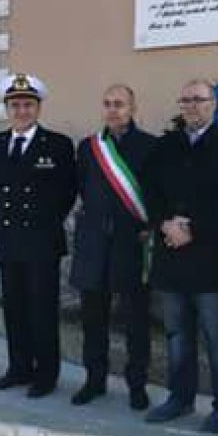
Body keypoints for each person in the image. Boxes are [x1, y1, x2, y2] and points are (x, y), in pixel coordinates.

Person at [143, 78, 218, 433]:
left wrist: (194, 229)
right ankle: (179, 399)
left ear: (214, 104)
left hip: (211, 260)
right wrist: (164, 223)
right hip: (171, 256)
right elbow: (150, 191)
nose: (190, 106)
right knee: (177, 335)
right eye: (184, 100)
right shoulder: (165, 146)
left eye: (198, 100)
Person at [0, 73, 76, 399]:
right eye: (15, 105)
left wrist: (42, 221)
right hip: (8, 240)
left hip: (42, 241)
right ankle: (18, 368)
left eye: (28, 104)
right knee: (15, 308)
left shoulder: (58, 145)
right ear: (7, 108)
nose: (21, 110)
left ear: (38, 108)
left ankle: (46, 375)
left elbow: (66, 193)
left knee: (42, 311)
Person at [69, 84, 155, 409]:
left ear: (133, 108)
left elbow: (156, 193)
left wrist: (152, 227)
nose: (113, 109)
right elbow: (79, 188)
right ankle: (94, 380)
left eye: (119, 104)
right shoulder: (90, 147)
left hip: (131, 244)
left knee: (136, 321)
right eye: (107, 104)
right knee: (93, 320)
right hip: (93, 245)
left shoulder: (149, 146)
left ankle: (137, 385)